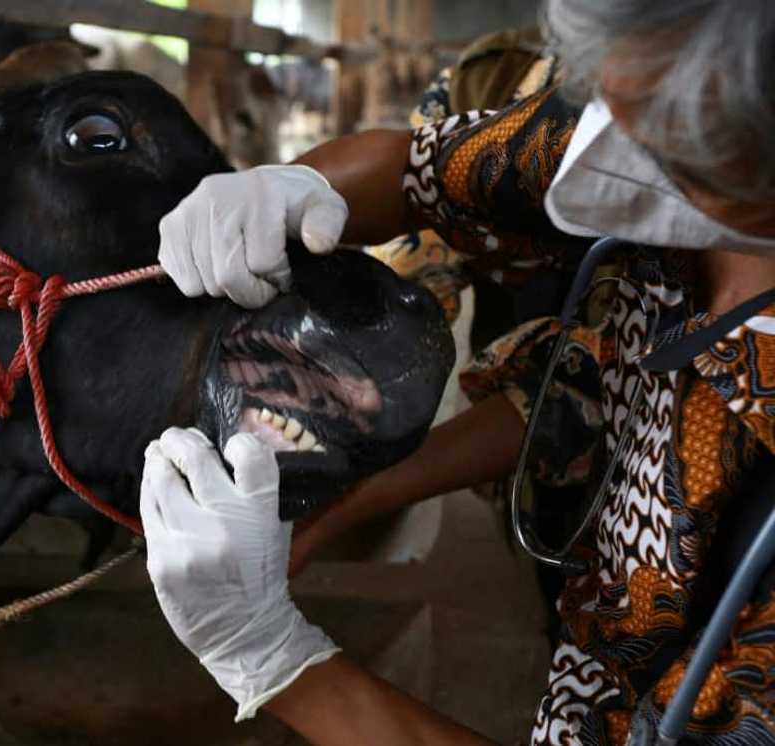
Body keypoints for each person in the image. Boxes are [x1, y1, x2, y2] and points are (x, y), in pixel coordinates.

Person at [140, 1, 775, 744]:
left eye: (677, 148)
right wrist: (290, 188)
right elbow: (431, 174)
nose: (622, 150)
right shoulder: (651, 96)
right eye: (614, 108)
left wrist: (273, 660)